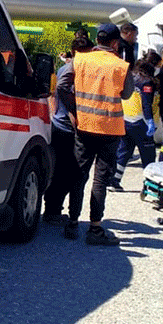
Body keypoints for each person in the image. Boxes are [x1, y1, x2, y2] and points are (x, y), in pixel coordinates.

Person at [68, 22, 132, 245]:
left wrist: (71, 112)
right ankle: (95, 229)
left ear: (97, 40)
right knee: (100, 180)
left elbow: (63, 86)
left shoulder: (80, 59)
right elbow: (126, 95)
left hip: (84, 125)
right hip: (109, 129)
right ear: (115, 43)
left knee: (79, 175)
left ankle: (72, 222)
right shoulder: (121, 66)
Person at [43, 29, 95, 230]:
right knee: (63, 173)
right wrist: (74, 112)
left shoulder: (75, 67)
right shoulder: (71, 68)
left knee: (66, 172)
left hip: (66, 127)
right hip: (64, 128)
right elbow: (62, 90)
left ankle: (54, 210)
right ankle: (52, 211)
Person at [113, 51, 160, 188]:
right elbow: (146, 104)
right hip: (141, 123)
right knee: (148, 155)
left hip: (126, 121)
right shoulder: (147, 82)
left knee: (124, 152)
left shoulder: (130, 78)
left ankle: (114, 181)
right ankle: (151, 185)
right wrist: (150, 121)